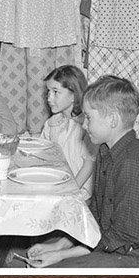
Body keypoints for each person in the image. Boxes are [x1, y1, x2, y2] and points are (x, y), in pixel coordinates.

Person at [26, 75, 139, 269]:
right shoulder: (107, 153)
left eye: (89, 118)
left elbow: (123, 240)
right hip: (116, 246)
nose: (84, 124)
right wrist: (58, 246)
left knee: (53, 271)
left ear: (113, 120)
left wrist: (61, 256)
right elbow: (96, 219)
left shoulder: (132, 164)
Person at [40, 65, 96, 196]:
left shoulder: (86, 126)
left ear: (73, 95)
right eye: (48, 92)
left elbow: (89, 165)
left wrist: (70, 192)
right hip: (58, 185)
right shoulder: (51, 123)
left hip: (80, 191)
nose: (49, 98)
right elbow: (44, 153)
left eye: (55, 92)